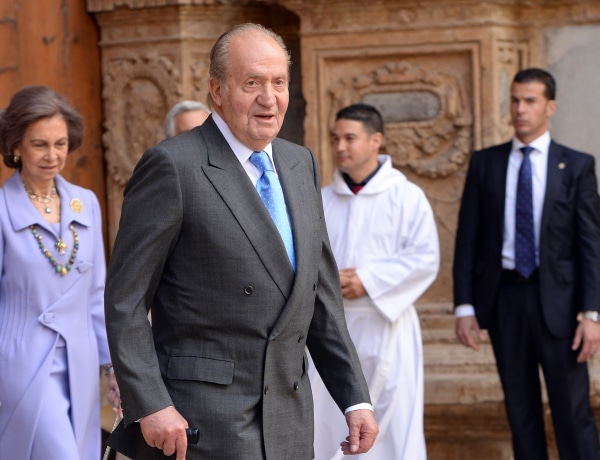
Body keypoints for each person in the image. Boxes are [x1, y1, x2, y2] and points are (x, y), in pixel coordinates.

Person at [104, 23, 378, 460]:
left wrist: (354, 398)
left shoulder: (300, 162)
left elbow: (319, 294)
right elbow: (126, 301)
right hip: (200, 422)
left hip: (288, 418)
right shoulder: (173, 166)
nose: (269, 98)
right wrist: (151, 404)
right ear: (217, 90)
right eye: (252, 83)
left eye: (278, 83)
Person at [454, 68, 600, 460]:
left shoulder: (577, 165)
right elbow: (467, 238)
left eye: (530, 101)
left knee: (572, 412)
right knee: (521, 413)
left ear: (550, 107)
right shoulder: (485, 163)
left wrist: (592, 313)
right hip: (505, 300)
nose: (520, 109)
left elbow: (591, 244)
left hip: (562, 306)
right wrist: (464, 306)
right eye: (515, 100)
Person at [309, 103, 440, 460]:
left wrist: (367, 281)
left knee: (392, 427)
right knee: (329, 421)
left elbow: (425, 257)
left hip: (387, 326)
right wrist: (330, 279)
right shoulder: (321, 200)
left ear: (375, 141)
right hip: (332, 328)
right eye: (335, 138)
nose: (340, 147)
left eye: (350, 138)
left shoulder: (406, 196)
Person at [0, 85, 121, 459]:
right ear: (16, 145)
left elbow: (97, 293)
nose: (52, 155)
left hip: (80, 361)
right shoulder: (3, 210)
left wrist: (112, 366)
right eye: (39, 144)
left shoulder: (85, 203)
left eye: (60, 144)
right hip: (22, 362)